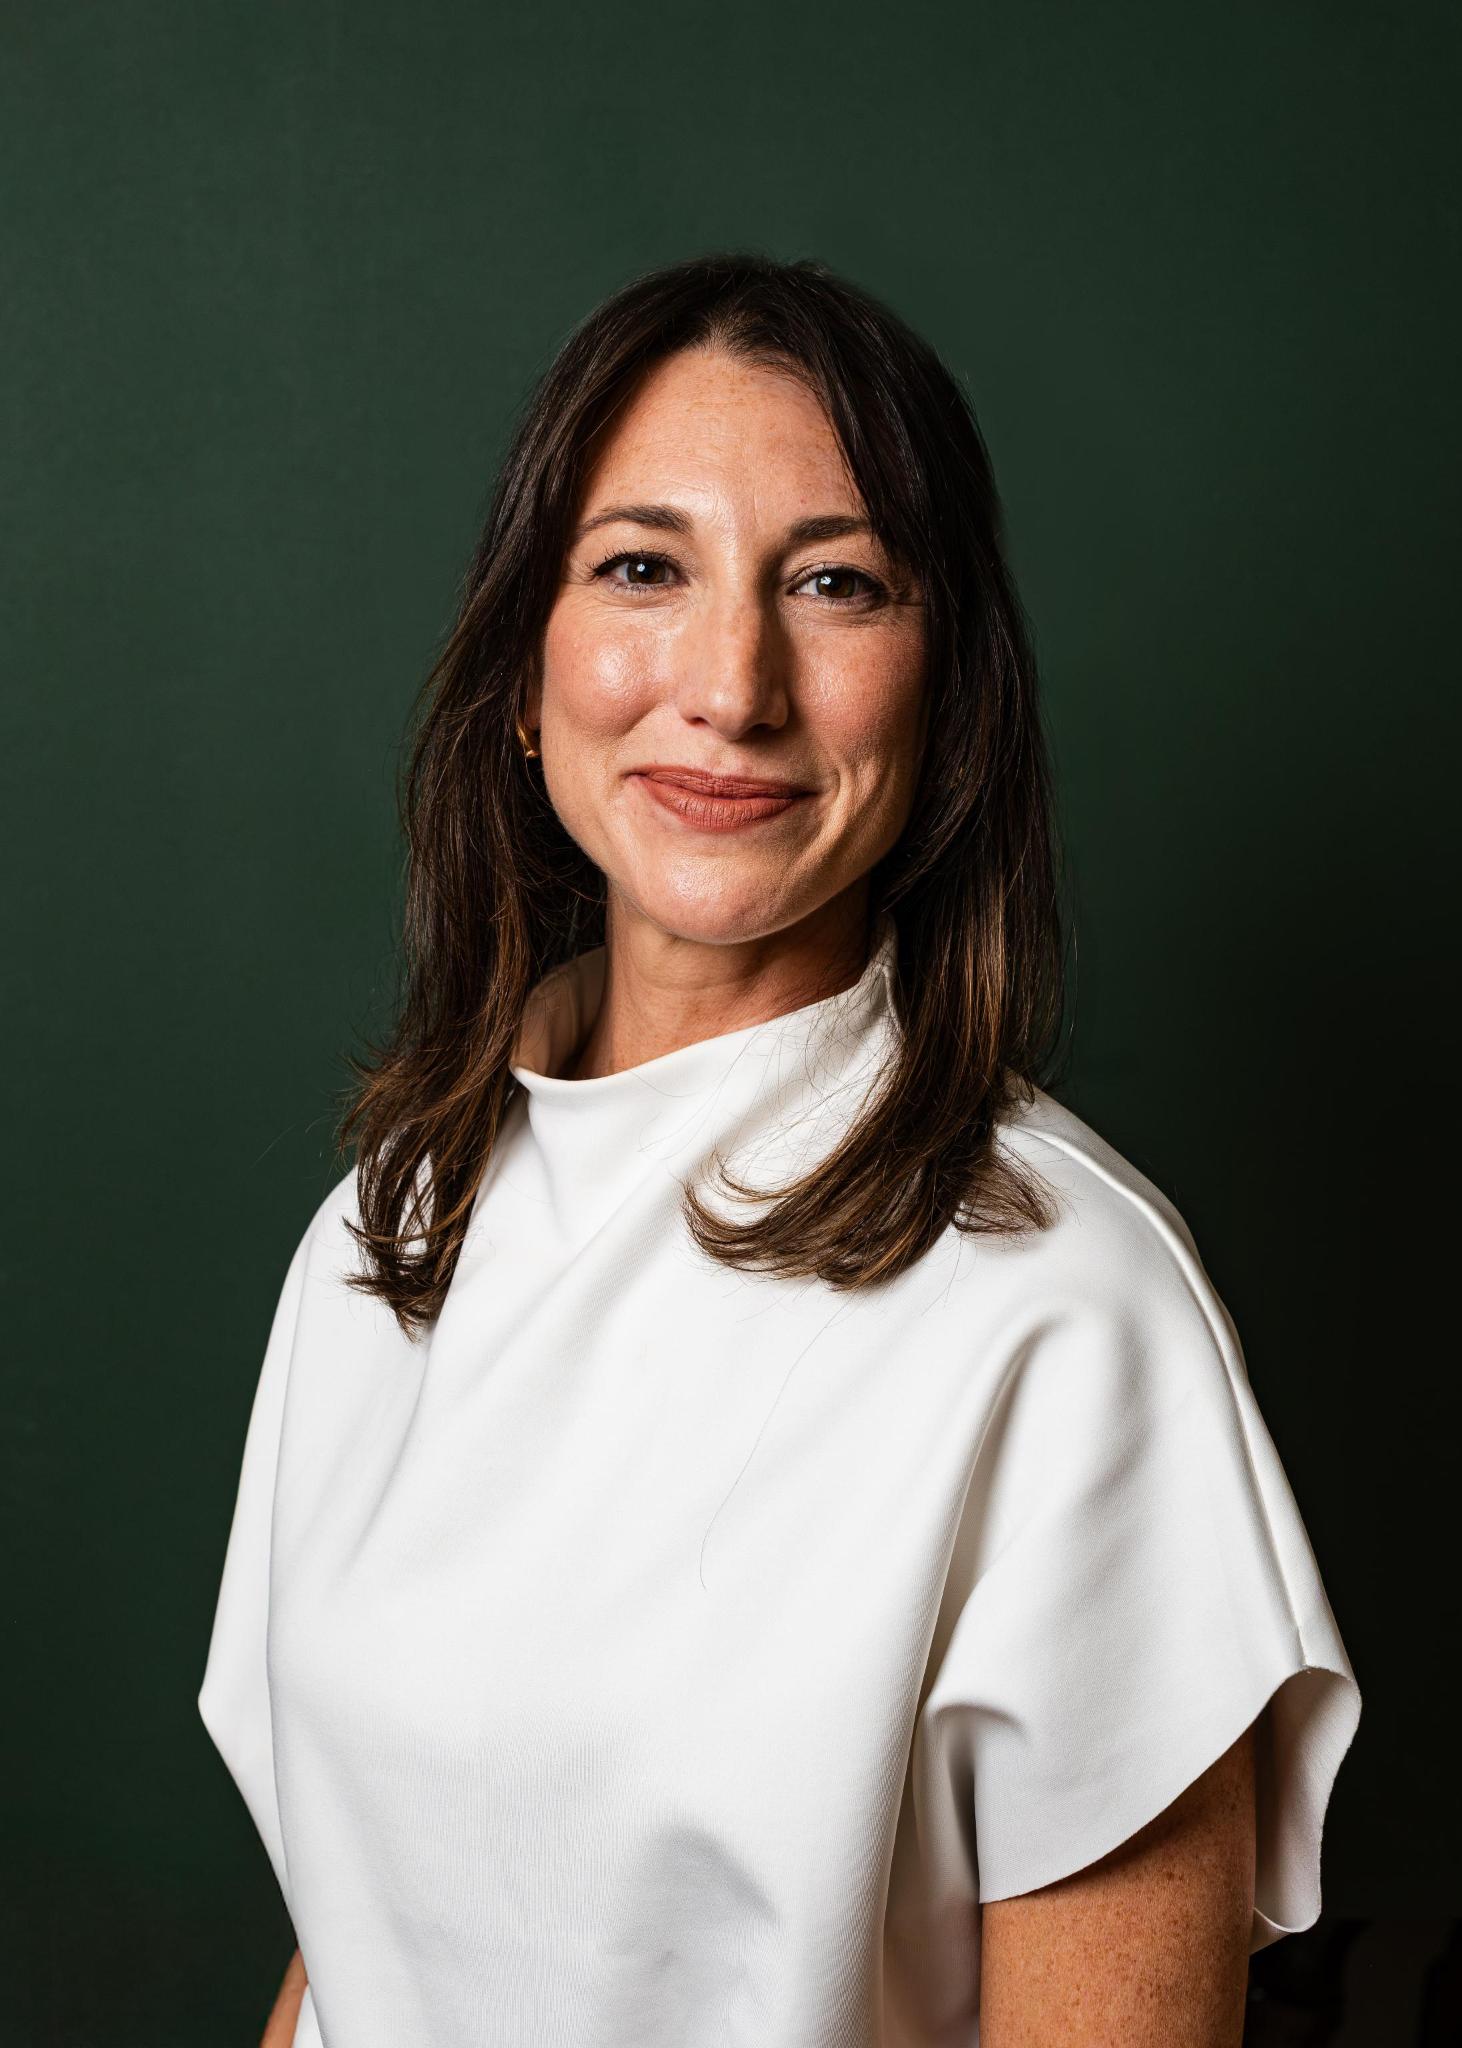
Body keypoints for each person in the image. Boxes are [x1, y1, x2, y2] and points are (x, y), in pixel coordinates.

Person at [198, 253, 1361, 2048]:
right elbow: (359, 1949)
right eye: (640, 568)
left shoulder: (1065, 1309)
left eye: (833, 583)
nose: (730, 686)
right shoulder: (387, 1227)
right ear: (523, 670)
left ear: (944, 695)